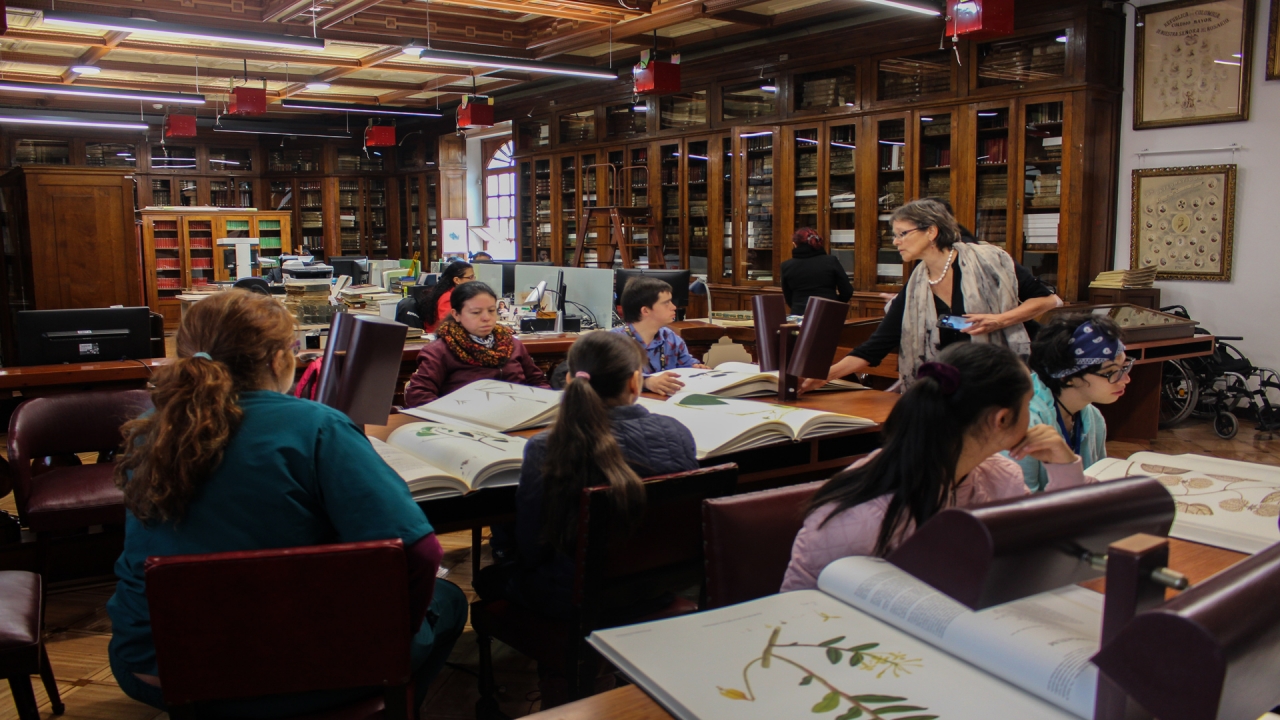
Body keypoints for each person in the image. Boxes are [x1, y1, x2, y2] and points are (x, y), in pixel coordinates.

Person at [106, 290, 465, 717]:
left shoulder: (152, 430)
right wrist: (393, 631)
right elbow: (420, 551)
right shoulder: (316, 426)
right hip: (299, 663)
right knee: (448, 601)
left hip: (158, 663)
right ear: (279, 361)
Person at [782, 343, 1094, 591]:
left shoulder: (1000, 475)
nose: (1033, 413)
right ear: (1000, 419)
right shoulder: (860, 517)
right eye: (1027, 403)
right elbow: (800, 610)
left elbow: (1050, 552)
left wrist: (1064, 467)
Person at [803, 199, 1062, 392]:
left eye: (902, 234)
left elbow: (1050, 299)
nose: (896, 242)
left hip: (1006, 380)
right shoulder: (918, 282)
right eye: (894, 235)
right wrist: (825, 375)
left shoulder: (988, 259)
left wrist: (1001, 320)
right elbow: (878, 344)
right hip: (953, 386)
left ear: (931, 231)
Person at [1018, 313, 1131, 492]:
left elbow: (1098, 479)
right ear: (1068, 376)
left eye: (1124, 367)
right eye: (1111, 372)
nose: (1126, 379)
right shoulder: (1025, 422)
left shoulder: (1092, 417)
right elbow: (1016, 505)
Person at [404, 281, 548, 406]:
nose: (486, 318)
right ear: (456, 315)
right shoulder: (440, 351)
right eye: (476, 312)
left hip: (518, 416)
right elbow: (418, 394)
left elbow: (538, 382)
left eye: (491, 311)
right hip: (466, 424)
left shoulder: (512, 344)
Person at [612, 276, 708, 396]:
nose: (674, 307)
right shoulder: (614, 342)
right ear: (645, 311)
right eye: (666, 303)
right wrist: (646, 382)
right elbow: (608, 380)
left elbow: (687, 364)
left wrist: (696, 367)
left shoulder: (670, 338)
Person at [780, 228, 853, 315]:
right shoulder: (830, 261)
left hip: (800, 313)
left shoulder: (786, 266)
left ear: (795, 244)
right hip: (828, 312)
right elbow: (847, 290)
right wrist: (835, 303)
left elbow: (788, 296)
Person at [419, 261, 474, 334]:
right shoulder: (448, 297)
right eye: (470, 277)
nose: (474, 280)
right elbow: (449, 325)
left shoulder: (458, 294)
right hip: (438, 337)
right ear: (456, 280)